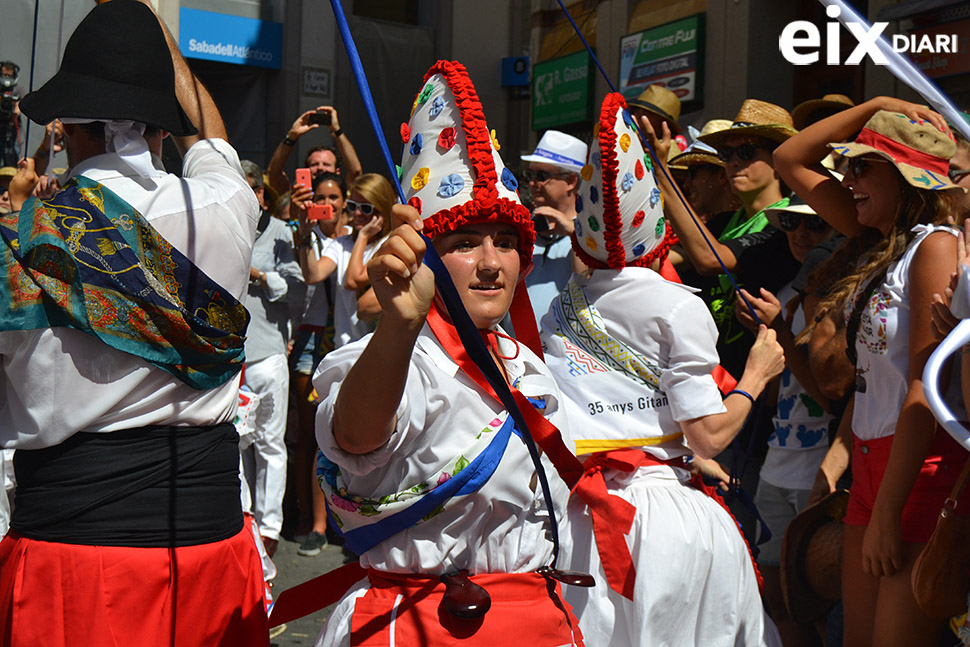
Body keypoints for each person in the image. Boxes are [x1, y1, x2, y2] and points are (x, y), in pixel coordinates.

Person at [0, 2, 267, 645]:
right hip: (208, 555)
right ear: (161, 125)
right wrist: (152, 29)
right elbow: (209, 134)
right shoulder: (225, 206)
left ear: (64, 126)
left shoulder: (17, 244)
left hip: (69, 565)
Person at [311, 59, 585, 647]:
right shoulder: (400, 358)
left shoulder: (527, 365)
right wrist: (396, 330)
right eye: (464, 243)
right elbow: (357, 438)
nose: (491, 263)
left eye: (506, 243)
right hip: (422, 630)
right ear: (426, 256)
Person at [540, 91, 784, 647]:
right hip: (661, 521)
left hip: (582, 515)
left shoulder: (561, 305)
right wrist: (756, 376)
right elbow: (707, 435)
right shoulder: (677, 304)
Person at [774, 96, 969, 647]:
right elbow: (792, 158)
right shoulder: (885, 242)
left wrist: (887, 509)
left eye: (862, 165)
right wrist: (878, 102)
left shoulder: (935, 247)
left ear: (905, 177)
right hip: (870, 467)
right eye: (847, 166)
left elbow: (924, 388)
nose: (846, 176)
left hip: (919, 475)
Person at [735, 196, 838, 646]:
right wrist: (763, 344)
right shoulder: (785, 293)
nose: (800, 235)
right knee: (777, 598)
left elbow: (830, 393)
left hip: (817, 469)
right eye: (793, 225)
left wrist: (780, 337)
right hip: (778, 458)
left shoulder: (840, 298)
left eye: (814, 226)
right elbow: (779, 392)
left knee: (819, 604)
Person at [239, 159, 304, 558]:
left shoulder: (280, 232)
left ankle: (269, 529)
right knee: (235, 446)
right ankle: (243, 521)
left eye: (251, 189)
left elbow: (297, 293)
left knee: (269, 444)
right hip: (231, 359)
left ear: (262, 194)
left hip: (267, 355)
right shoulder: (224, 228)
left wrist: (259, 276)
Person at [288, 171, 349, 556]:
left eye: (333, 198)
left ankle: (346, 519)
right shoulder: (311, 237)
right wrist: (301, 226)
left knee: (349, 437)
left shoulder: (351, 239)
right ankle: (312, 522)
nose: (326, 205)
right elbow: (311, 273)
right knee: (311, 436)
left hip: (347, 342)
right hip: (311, 339)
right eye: (319, 198)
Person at [520, 130, 587, 324]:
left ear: (571, 181)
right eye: (530, 174)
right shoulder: (525, 226)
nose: (533, 183)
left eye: (541, 176)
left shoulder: (592, 233)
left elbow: (586, 280)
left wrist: (574, 233)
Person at [266, 106, 362, 195]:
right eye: (314, 164)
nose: (320, 168)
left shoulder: (343, 196)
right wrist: (292, 136)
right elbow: (274, 173)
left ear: (337, 171)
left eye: (326, 164)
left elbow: (355, 172)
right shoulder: (297, 195)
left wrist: (337, 131)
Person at [0, 62, 24, 167]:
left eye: (9, 76)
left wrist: (17, 110)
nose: (7, 78)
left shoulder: (18, 89)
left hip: (11, 130)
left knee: (12, 156)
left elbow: (24, 102)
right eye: (4, 75)